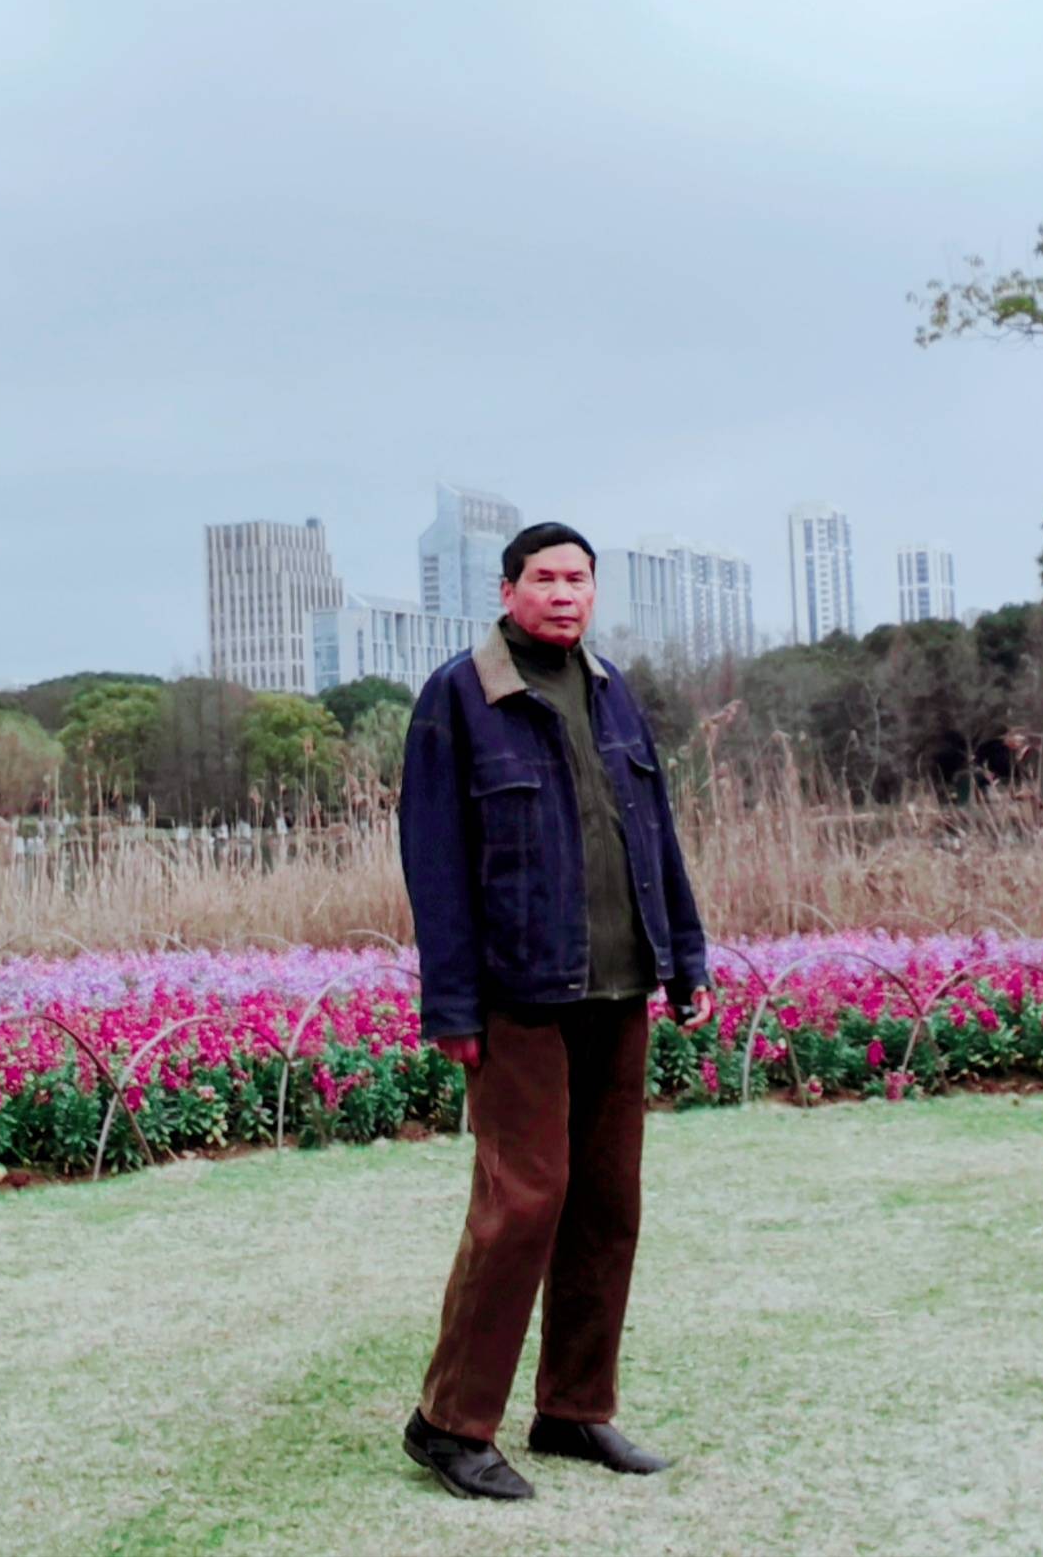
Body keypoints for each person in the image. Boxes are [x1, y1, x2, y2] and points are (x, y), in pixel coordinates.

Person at [398, 521, 714, 1502]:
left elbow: (656, 835)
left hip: (620, 989)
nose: (565, 593)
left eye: (579, 578)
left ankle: (575, 1407)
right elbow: (435, 866)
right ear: (507, 591)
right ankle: (449, 1424)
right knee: (524, 1201)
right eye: (545, 578)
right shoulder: (459, 696)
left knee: (607, 1203)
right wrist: (452, 1005)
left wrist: (687, 958)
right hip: (517, 999)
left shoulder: (614, 690)